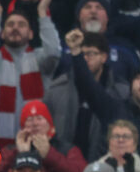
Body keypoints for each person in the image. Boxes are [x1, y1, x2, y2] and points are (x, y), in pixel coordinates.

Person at [68, 28, 140, 167]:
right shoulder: (114, 109)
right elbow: (88, 86)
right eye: (138, 78)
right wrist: (77, 53)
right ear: (131, 86)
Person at [0, 0, 61, 146]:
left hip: (37, 143)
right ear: (1, 34)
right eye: (10, 25)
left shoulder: (39, 58)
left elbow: (53, 52)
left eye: (21, 25)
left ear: (31, 34)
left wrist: (43, 14)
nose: (15, 28)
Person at [45, 31, 130, 161]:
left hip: (101, 165)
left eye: (90, 53)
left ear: (104, 57)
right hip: (64, 164)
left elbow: (88, 85)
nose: (85, 58)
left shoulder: (119, 92)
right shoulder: (58, 87)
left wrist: (76, 54)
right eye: (82, 54)